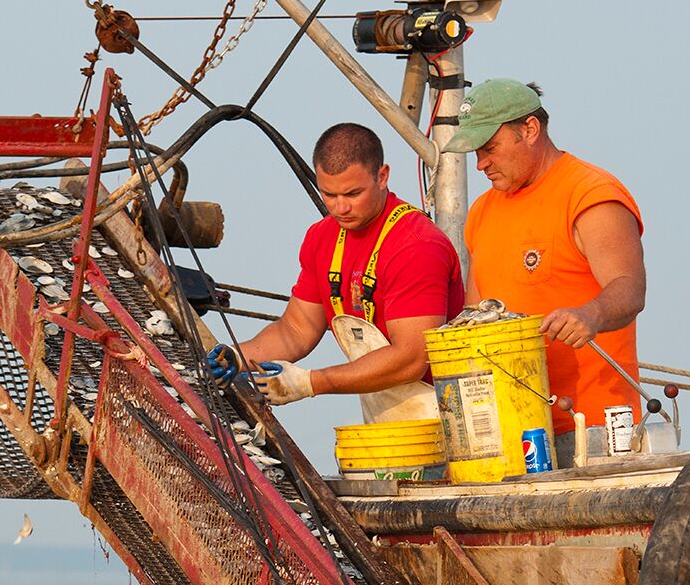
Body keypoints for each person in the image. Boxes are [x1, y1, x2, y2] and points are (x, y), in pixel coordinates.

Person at [441, 80, 645, 460]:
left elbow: (630, 289)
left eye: (490, 148)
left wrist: (590, 314)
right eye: (476, 153)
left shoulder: (590, 193)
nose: (481, 163)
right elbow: (474, 319)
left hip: (592, 428)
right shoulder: (482, 211)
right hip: (510, 430)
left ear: (530, 130)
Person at [206, 123, 463, 413]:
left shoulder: (415, 245)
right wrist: (236, 357)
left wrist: (311, 383)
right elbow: (296, 328)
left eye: (353, 194)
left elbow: (412, 359)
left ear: (382, 176)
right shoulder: (322, 237)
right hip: (389, 420)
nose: (340, 208)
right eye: (329, 194)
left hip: (449, 416)